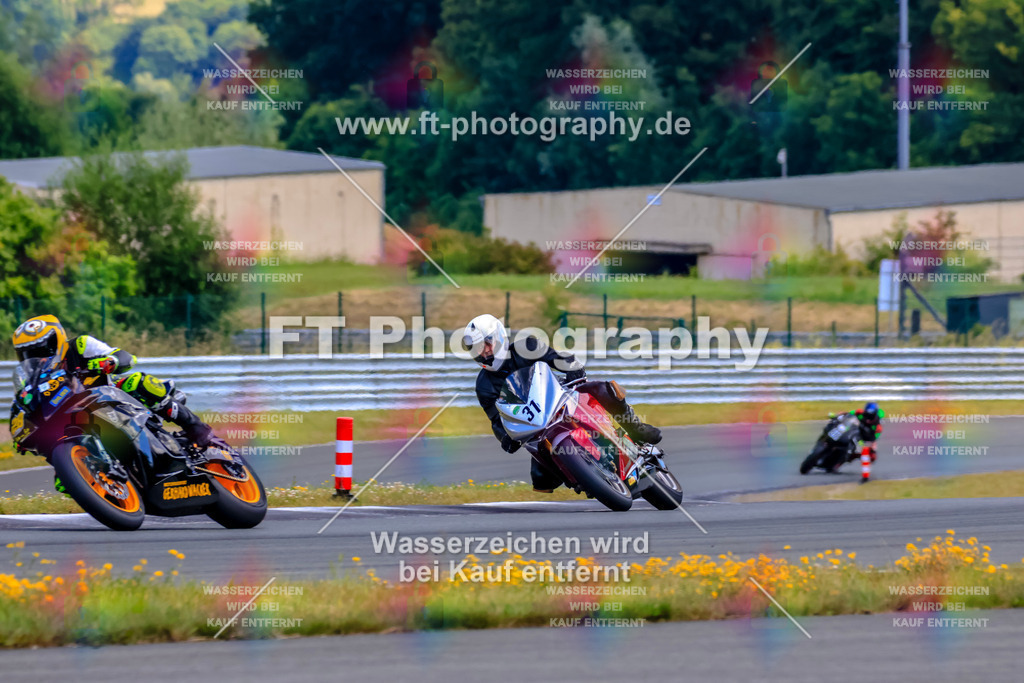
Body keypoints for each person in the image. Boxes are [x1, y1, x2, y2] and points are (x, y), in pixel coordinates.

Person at [11, 315, 214, 490]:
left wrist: (110, 361)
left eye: (42, 349)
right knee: (62, 482)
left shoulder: (79, 346)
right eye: (28, 354)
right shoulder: (33, 383)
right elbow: (24, 409)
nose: (37, 358)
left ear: (57, 340)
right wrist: (24, 433)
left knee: (138, 382)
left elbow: (125, 357)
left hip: (117, 400)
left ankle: (194, 425)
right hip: (77, 419)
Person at [463, 314, 661, 493]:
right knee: (542, 480)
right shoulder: (484, 386)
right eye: (478, 348)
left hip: (561, 396)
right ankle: (584, 478)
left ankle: (635, 428)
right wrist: (505, 438)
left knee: (604, 389)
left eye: (487, 343)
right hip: (536, 427)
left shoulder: (526, 347)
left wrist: (572, 368)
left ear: (498, 336)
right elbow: (496, 419)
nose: (485, 351)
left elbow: (556, 358)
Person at [830, 402, 883, 482]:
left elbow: (873, 441)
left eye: (871, 416)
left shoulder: (877, 427)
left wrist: (871, 447)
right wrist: (838, 415)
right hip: (854, 431)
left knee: (869, 455)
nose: (868, 418)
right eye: (867, 415)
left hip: (865, 439)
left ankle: (837, 464)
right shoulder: (860, 413)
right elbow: (849, 413)